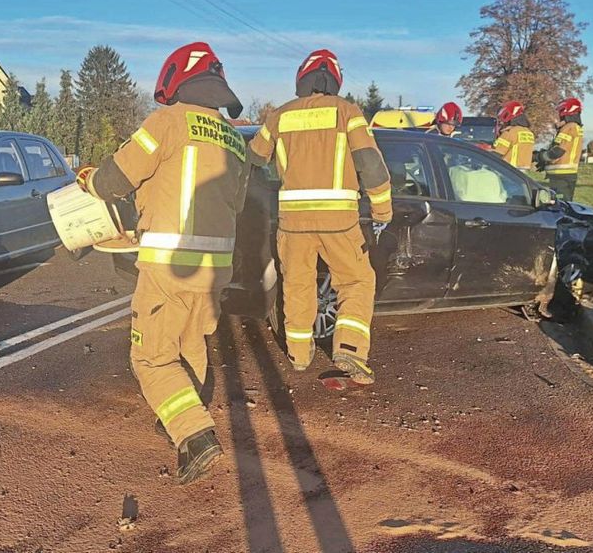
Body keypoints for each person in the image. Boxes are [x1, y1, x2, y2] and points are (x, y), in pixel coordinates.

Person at [77, 42, 250, 484]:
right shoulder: (235, 139)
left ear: (176, 82)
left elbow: (115, 178)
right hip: (216, 268)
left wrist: (90, 180)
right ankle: (183, 416)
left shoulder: (167, 122)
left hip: (170, 265)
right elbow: (239, 203)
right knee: (190, 346)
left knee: (151, 357)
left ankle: (194, 434)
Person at [247, 49, 392, 384]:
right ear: (335, 79)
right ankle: (350, 349)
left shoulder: (280, 115)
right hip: (338, 222)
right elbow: (370, 164)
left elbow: (255, 156)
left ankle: (298, 355)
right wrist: (383, 209)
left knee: (297, 284)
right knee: (356, 281)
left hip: (292, 224)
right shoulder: (347, 112)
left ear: (302, 78)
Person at [537, 98, 585, 201]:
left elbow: (558, 151)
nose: (559, 115)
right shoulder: (576, 127)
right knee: (565, 202)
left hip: (560, 175)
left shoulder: (568, 127)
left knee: (559, 203)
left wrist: (541, 157)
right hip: (568, 174)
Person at [492, 101, 535, 172]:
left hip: (509, 169)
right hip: (523, 169)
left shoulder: (510, 132)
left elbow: (497, 153)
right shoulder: (529, 133)